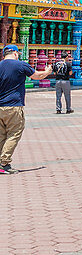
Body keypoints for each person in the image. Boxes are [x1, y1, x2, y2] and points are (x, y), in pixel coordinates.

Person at [0, 44, 52, 173]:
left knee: (1, 135)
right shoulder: (20, 65)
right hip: (14, 106)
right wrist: (47, 71)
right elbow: (37, 76)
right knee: (14, 134)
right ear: (16, 53)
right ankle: (4, 163)